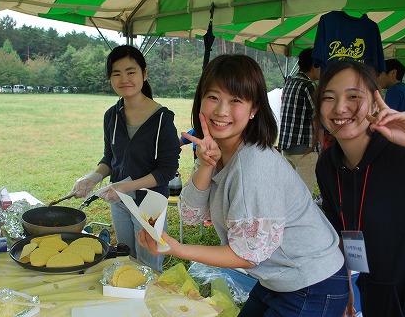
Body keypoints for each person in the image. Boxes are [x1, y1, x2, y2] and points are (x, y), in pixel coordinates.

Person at [138, 54, 349, 316]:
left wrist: (177, 249)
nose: (221, 110)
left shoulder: (254, 164)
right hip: (276, 277)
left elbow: (247, 255)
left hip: (311, 281)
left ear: (254, 109)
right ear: (200, 101)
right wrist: (205, 165)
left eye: (235, 100)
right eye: (213, 97)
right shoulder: (216, 151)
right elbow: (189, 215)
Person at [71, 45, 180, 273]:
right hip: (119, 201)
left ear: (144, 73)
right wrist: (90, 178)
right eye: (116, 73)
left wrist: (126, 185)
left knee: (148, 266)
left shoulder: (162, 119)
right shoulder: (112, 114)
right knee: (127, 259)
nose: (124, 79)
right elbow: (110, 158)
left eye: (131, 72)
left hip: (149, 202)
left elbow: (166, 171)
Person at [315, 60, 405, 317]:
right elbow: (339, 230)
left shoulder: (403, 151)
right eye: (329, 97)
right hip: (373, 292)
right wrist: (344, 283)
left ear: (375, 102)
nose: (340, 107)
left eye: (354, 96)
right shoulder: (327, 165)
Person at [278, 48, 320, 194]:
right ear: (314, 65)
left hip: (287, 146)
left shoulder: (290, 83)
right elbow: (316, 117)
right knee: (304, 196)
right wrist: (319, 146)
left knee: (289, 193)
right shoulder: (309, 86)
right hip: (304, 147)